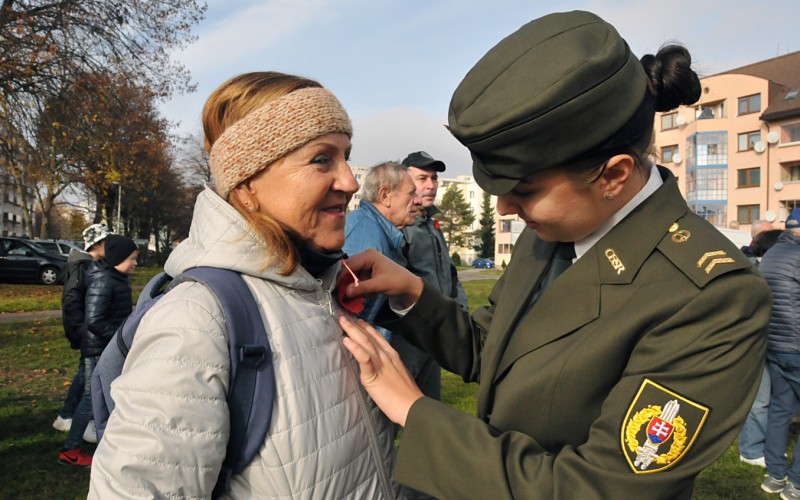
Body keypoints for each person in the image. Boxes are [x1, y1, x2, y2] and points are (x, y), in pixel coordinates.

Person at [337, 11, 771, 499]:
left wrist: (415, 413)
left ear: (613, 175)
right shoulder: (552, 230)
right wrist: (411, 292)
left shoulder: (711, 298)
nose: (504, 207)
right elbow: (495, 351)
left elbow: (594, 489)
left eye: (523, 190)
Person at [89, 72, 399, 499]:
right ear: (248, 183)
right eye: (322, 159)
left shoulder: (320, 286)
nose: (349, 181)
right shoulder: (196, 320)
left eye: (346, 155)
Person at [58, 234, 137, 467]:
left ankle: (109, 440)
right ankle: (70, 450)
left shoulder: (117, 277)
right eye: (132, 258)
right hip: (97, 348)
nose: (135, 263)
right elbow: (94, 320)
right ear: (118, 258)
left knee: (101, 395)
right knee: (91, 398)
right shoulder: (104, 280)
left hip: (105, 346)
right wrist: (121, 337)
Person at [343, 161, 421, 340]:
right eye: (411, 193)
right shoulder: (366, 235)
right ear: (385, 195)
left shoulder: (375, 230)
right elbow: (348, 317)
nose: (417, 199)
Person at [53, 223, 111, 441]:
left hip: (88, 330)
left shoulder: (90, 265)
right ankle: (69, 415)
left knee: (84, 373)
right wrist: (79, 331)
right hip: (86, 331)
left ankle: (68, 414)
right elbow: (72, 302)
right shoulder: (81, 267)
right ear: (97, 244)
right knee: (86, 375)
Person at [759, 208, 800, 497]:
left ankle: (774, 475)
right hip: (797, 346)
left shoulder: (772, 253)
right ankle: (796, 483)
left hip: (775, 345)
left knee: (779, 411)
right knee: (781, 410)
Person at [739, 227, 784, 468]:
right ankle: (751, 449)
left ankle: (756, 446)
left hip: (767, 341)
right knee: (761, 399)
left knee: (766, 399)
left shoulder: (761, 269)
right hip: (759, 343)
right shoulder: (753, 272)